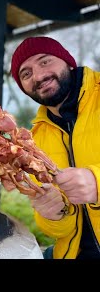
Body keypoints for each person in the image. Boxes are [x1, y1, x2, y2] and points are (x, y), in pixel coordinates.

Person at [11, 36, 100, 259]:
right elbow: (62, 232)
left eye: (45, 61)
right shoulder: (36, 139)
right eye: (26, 74)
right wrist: (54, 215)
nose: (39, 76)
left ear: (68, 62)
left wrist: (97, 183)